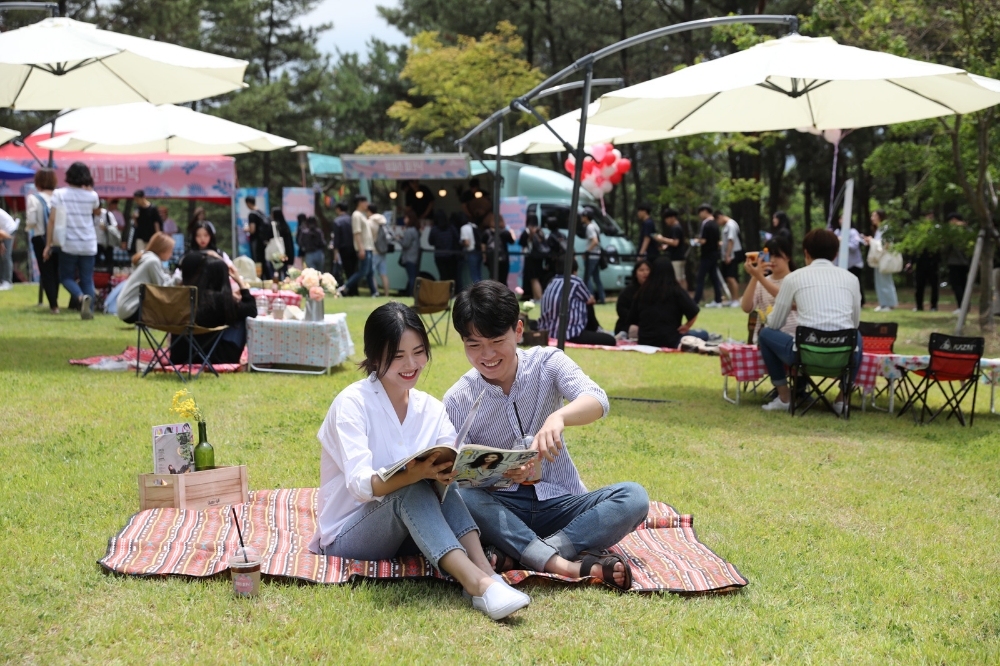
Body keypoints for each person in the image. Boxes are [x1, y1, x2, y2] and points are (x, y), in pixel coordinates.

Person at [309, 301, 530, 621]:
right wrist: (416, 474)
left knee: (440, 482)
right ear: (374, 357)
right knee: (411, 487)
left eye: (418, 351)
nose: (411, 363)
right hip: (350, 535)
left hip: (408, 533)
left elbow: (450, 458)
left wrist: (461, 469)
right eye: (397, 356)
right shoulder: (351, 405)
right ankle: (478, 585)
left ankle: (487, 574)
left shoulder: (431, 408)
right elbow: (360, 485)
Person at [444, 281, 649, 591]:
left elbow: (597, 399)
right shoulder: (458, 399)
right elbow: (457, 479)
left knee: (634, 497)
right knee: (460, 497)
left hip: (562, 505)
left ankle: (526, 555)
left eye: (497, 340)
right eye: (473, 345)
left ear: (519, 330)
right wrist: (500, 474)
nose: (486, 355)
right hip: (500, 511)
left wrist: (559, 417)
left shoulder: (548, 363)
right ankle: (561, 561)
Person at [757, 229, 863, 414]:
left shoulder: (793, 278)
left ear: (806, 253)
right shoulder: (852, 279)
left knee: (765, 333)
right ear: (836, 254)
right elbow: (854, 324)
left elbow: (774, 325)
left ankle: (784, 397)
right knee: (857, 336)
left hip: (804, 356)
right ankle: (841, 399)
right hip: (842, 357)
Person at [171, 253, 256, 365]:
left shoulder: (186, 295)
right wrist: (241, 283)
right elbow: (252, 310)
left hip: (180, 355)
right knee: (241, 319)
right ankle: (231, 356)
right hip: (213, 357)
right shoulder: (221, 300)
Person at [45, 162, 100, 319]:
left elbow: (52, 220)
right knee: (87, 279)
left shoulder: (59, 194)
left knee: (66, 277)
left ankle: (81, 298)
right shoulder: (93, 196)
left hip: (69, 243)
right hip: (88, 243)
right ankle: (88, 311)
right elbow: (97, 212)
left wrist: (48, 244)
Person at [626, 257, 704, 348]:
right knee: (703, 333)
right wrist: (686, 326)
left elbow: (632, 319)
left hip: (646, 340)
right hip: (671, 340)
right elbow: (694, 311)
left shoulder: (642, 292)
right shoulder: (677, 290)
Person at [538, 259, 616, 346]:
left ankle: (596, 329)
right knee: (610, 340)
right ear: (574, 271)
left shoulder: (551, 281)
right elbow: (590, 300)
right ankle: (596, 329)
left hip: (549, 332)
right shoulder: (575, 281)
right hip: (571, 334)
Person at [741, 236, 798, 343]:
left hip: (791, 339)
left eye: (777, 256)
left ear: (788, 257)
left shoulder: (796, 280)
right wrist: (755, 276)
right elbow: (746, 307)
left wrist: (759, 277)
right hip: (765, 341)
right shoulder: (760, 281)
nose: (772, 260)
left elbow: (786, 299)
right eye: (769, 255)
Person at [116, 232, 179, 324]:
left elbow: (162, 278)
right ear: (162, 249)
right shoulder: (153, 261)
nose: (171, 254)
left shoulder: (146, 258)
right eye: (170, 250)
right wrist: (177, 278)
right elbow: (162, 288)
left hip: (124, 308)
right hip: (131, 310)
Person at [25, 168, 60, 312]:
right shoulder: (59, 196)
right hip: (58, 238)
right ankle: (56, 300)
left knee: (46, 272)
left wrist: (28, 227)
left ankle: (54, 306)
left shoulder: (34, 198)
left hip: (41, 237)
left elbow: (32, 220)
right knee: (57, 271)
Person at [338, 196, 378, 297]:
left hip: (368, 247)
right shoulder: (356, 215)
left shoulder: (361, 215)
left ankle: (374, 292)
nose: (367, 204)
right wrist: (361, 249)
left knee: (369, 272)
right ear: (360, 203)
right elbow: (357, 233)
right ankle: (344, 287)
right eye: (365, 202)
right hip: (364, 248)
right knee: (363, 271)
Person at [866, 210, 897, 311]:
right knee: (879, 281)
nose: (872, 218)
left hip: (885, 258)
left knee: (886, 281)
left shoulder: (886, 228)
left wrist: (872, 241)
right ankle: (883, 303)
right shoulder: (878, 229)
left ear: (880, 217)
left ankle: (890, 304)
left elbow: (886, 244)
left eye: (874, 215)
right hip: (879, 258)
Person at [693, 203, 724, 307]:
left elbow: (703, 240)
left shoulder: (705, 223)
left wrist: (696, 241)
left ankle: (695, 301)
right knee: (714, 277)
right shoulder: (715, 224)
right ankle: (718, 300)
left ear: (705, 211)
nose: (699, 215)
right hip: (714, 253)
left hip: (706, 254)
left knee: (700, 277)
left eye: (700, 213)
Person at [614, 259, 650, 335]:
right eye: (641, 270)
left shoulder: (654, 290)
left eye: (648, 270)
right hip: (628, 325)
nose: (645, 273)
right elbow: (621, 310)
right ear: (635, 274)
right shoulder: (627, 291)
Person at [833, 224, 866, 306]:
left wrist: (842, 241)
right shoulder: (837, 232)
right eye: (841, 218)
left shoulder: (853, 232)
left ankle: (860, 302)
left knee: (855, 284)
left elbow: (854, 246)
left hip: (854, 264)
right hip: (841, 264)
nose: (842, 220)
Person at [717, 210, 743, 307]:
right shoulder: (726, 226)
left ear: (720, 216)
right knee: (728, 277)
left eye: (717, 221)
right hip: (728, 254)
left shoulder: (731, 225)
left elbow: (731, 240)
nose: (718, 224)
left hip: (732, 254)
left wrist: (728, 255)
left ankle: (736, 299)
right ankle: (732, 299)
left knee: (732, 277)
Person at [428, 210, 461, 286]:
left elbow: (430, 242)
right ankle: (452, 292)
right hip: (451, 255)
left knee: (443, 276)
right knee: (452, 276)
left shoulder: (434, 229)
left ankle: (443, 292)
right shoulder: (451, 228)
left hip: (439, 255)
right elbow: (457, 238)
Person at [944, 212, 970, 308]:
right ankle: (965, 306)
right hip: (965, 263)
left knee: (958, 286)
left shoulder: (953, 233)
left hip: (955, 263)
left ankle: (961, 306)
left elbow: (946, 248)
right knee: (963, 285)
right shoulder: (967, 231)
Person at [518, 217, 548, 300]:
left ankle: (539, 298)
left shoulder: (529, 232)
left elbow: (523, 245)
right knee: (535, 279)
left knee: (534, 279)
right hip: (538, 259)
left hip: (531, 259)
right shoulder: (540, 232)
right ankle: (536, 298)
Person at [483, 212, 514, 288]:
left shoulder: (487, 232)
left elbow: (483, 245)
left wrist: (484, 257)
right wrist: (512, 232)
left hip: (491, 257)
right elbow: (512, 241)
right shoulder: (505, 232)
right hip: (503, 258)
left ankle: (492, 293)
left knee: (492, 278)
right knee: (503, 279)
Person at [581, 209, 605, 304]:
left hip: (591, 256)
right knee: (596, 278)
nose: (581, 218)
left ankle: (591, 298)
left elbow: (595, 241)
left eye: (583, 216)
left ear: (586, 217)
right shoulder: (595, 225)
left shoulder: (590, 227)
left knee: (587, 278)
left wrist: (587, 251)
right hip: (597, 255)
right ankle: (602, 298)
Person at [367, 204, 391, 297]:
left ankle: (375, 292)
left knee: (371, 274)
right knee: (383, 274)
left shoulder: (370, 222)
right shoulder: (383, 221)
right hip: (382, 251)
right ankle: (387, 294)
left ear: (369, 211)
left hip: (373, 251)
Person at [245, 196, 271, 280]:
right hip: (263, 242)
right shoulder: (261, 212)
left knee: (257, 262)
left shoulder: (252, 214)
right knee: (263, 261)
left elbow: (252, 230)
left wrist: (246, 229)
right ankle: (268, 279)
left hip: (256, 241)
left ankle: (259, 280)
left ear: (248, 203)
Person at [332, 203, 356, 292]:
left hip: (343, 249)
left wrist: (335, 253)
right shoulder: (351, 219)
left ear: (338, 209)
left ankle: (347, 290)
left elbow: (337, 239)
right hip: (354, 249)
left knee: (345, 271)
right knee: (353, 271)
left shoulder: (337, 221)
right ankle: (354, 290)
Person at [127, 190, 161, 255]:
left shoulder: (152, 208)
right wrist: (134, 218)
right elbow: (136, 225)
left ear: (143, 197)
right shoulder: (137, 209)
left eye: (138, 199)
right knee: (140, 255)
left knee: (150, 255)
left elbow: (156, 222)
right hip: (140, 236)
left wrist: (158, 235)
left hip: (151, 236)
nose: (136, 201)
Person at [662, 208, 687, 290]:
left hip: (676, 257)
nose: (666, 221)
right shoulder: (678, 227)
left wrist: (661, 239)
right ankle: (685, 297)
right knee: (682, 278)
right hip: (680, 256)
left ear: (672, 218)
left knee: (677, 279)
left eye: (667, 219)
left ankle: (680, 297)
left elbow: (675, 243)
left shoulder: (675, 228)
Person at [910, 245, 940, 312]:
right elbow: (914, 252)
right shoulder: (918, 240)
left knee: (934, 287)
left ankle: (934, 306)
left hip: (933, 267)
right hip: (920, 267)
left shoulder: (934, 242)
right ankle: (919, 306)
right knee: (919, 287)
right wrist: (911, 262)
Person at [399, 213, 422, 296]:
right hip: (415, 257)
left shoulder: (409, 230)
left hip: (409, 257)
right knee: (413, 277)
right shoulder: (416, 230)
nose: (404, 219)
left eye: (405, 217)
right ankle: (413, 294)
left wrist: (398, 239)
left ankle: (411, 294)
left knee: (411, 277)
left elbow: (405, 244)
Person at [270, 207, 294, 281]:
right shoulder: (286, 226)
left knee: (276, 271)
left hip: (276, 252)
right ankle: (287, 285)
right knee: (285, 270)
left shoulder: (274, 226)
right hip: (285, 252)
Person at [460, 215, 483, 285]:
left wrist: (461, 243)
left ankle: (478, 292)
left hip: (472, 252)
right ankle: (482, 290)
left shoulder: (463, 228)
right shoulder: (474, 226)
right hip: (479, 251)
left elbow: (467, 243)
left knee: (474, 274)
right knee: (479, 273)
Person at [0, 207, 16, 290]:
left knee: (5, 255)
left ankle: (7, 282)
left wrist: (2, 243)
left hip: (9, 230)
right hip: (2, 231)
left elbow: (2, 233)